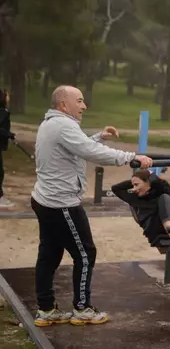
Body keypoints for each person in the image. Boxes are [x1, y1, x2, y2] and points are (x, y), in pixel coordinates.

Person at [31, 85, 153, 328]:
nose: (84, 105)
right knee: (85, 254)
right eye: (80, 100)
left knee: (49, 255)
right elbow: (90, 152)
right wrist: (132, 158)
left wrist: (98, 137)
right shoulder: (63, 125)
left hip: (45, 200)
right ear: (64, 105)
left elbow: (78, 147)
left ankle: (46, 309)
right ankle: (82, 308)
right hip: (61, 204)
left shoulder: (51, 124)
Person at [111, 169, 170, 243]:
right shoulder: (134, 198)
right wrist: (135, 180)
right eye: (133, 185)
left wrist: (151, 176)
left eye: (136, 185)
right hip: (155, 227)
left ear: (149, 182)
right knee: (164, 198)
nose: (134, 189)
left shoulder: (160, 191)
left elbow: (161, 185)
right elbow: (115, 188)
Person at [0, 89, 15, 207]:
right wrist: (8, 134)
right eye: (7, 96)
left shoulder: (4, 111)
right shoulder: (2, 112)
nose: (8, 97)